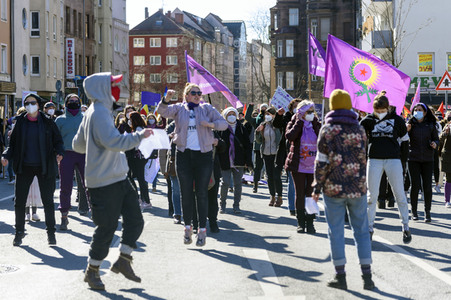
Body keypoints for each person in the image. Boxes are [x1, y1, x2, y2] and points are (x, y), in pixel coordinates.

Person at [72, 72, 153, 290]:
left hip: (117, 176)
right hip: (103, 181)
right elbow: (113, 142)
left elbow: (77, 144)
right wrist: (139, 136)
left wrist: (93, 146)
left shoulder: (95, 111)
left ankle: (123, 261)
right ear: (102, 89)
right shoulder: (98, 113)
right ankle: (92, 271)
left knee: (135, 220)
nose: (117, 88)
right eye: (113, 85)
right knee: (107, 228)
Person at [312, 89, 375, 291]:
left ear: (332, 106)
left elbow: (321, 162)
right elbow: (363, 158)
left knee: (336, 231)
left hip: (333, 189)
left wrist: (316, 186)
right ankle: (367, 277)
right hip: (357, 187)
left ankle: (341, 276)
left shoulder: (327, 130)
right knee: (362, 231)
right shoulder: (360, 130)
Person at [156, 83, 228, 247]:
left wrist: (210, 125)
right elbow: (161, 112)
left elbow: (223, 123)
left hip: (203, 156)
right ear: (186, 95)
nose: (197, 95)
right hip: (184, 155)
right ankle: (188, 228)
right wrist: (166, 99)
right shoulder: (179, 109)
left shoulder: (207, 108)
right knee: (185, 193)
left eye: (199, 93)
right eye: (194, 93)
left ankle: (202, 231)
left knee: (202, 193)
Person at [1, 93, 64, 246]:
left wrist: (59, 153)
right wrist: (5, 156)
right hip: (25, 167)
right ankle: (19, 233)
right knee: (19, 202)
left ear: (38, 104)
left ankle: (51, 233)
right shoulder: (20, 122)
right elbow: (12, 144)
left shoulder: (48, 122)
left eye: (33, 102)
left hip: (44, 166)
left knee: (48, 201)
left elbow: (58, 141)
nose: (30, 105)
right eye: (27, 103)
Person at [360, 92, 411, 243]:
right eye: (378, 111)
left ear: (388, 108)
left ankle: (406, 227)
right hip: (374, 160)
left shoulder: (397, 120)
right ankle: (369, 228)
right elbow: (360, 141)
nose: (380, 114)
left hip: (393, 160)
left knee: (399, 195)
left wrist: (403, 161)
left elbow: (405, 141)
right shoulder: (367, 121)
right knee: (371, 197)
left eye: (383, 111)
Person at [285, 100, 321, 233]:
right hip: (298, 165)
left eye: (312, 111)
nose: (311, 114)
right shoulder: (294, 122)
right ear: (301, 112)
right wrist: (299, 122)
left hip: (313, 166)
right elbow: (290, 136)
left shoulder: (316, 123)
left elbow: (322, 139)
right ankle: (300, 222)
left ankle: (310, 222)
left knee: (310, 194)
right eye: (308, 112)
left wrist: (316, 124)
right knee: (300, 194)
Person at [55, 94, 89, 229]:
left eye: (76, 101)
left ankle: (97, 214)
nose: (74, 103)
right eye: (71, 101)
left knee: (90, 184)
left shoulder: (86, 118)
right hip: (66, 154)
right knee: (65, 186)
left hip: (84, 154)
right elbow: (55, 139)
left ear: (80, 103)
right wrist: (57, 153)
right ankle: (64, 215)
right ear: (66, 103)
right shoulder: (60, 120)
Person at [406, 103, 439, 222]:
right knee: (414, 186)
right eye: (415, 109)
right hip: (413, 159)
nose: (417, 111)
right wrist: (406, 130)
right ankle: (414, 211)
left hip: (427, 159)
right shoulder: (410, 124)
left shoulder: (430, 125)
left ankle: (427, 212)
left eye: (420, 110)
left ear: (425, 113)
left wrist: (435, 143)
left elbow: (436, 139)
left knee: (427, 187)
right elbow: (403, 139)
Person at [217, 107, 252, 214]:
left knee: (238, 184)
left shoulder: (242, 128)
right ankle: (222, 204)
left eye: (233, 114)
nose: (231, 116)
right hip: (225, 160)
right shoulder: (221, 128)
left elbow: (247, 145)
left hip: (239, 160)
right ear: (225, 116)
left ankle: (236, 205)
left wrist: (248, 161)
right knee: (225, 183)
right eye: (229, 114)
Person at [274, 99, 301, 216]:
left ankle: (301, 206)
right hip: (288, 152)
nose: (297, 108)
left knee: (302, 184)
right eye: (295, 107)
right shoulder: (287, 118)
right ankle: (292, 207)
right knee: (291, 181)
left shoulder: (307, 119)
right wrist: (278, 115)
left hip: (303, 154)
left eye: (299, 106)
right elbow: (277, 124)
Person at [255, 106, 283, 206]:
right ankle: (272, 196)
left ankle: (279, 197)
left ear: (274, 115)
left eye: (269, 114)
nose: (267, 116)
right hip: (266, 153)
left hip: (276, 154)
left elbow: (280, 139)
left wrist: (276, 128)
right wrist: (258, 131)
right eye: (266, 114)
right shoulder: (263, 125)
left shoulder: (277, 126)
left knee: (276, 176)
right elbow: (258, 141)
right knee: (269, 177)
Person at [128, 111, 152, 209]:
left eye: (130, 119)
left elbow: (137, 143)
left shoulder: (138, 129)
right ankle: (143, 199)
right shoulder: (141, 128)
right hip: (140, 157)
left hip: (138, 157)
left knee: (139, 179)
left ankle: (144, 200)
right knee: (139, 179)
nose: (129, 121)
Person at [245, 104, 266, 193]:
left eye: (266, 110)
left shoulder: (272, 121)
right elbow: (247, 117)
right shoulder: (256, 121)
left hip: (271, 147)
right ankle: (255, 184)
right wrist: (250, 107)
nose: (264, 111)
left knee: (271, 167)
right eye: (263, 109)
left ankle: (274, 188)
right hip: (258, 147)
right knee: (258, 167)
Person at [439, 119, 451, 208]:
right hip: (448, 156)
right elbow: (440, 139)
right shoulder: (448, 126)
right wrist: (445, 133)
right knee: (448, 178)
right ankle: (447, 200)